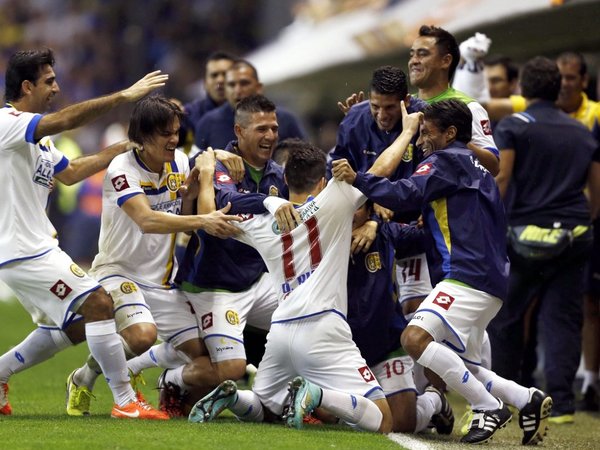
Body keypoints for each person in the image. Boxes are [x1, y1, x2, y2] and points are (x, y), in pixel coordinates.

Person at [333, 99, 553, 445]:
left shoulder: (446, 160)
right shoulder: (472, 165)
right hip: (488, 278)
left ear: (450, 133)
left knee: (414, 339)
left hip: (467, 276)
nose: (421, 140)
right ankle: (527, 399)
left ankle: (488, 406)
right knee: (464, 365)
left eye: (426, 132)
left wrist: (358, 178)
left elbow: (404, 193)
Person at [0, 48, 170, 419]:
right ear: (26, 86)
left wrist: (121, 148)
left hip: (35, 248)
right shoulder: (6, 123)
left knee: (77, 326)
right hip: (24, 250)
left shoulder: (38, 140)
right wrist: (123, 97)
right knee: (99, 304)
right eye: (49, 81)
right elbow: (64, 120)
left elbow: (72, 171)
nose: (57, 88)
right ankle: (125, 401)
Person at [189, 141, 399, 433]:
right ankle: (317, 395)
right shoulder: (336, 198)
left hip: (280, 333)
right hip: (323, 327)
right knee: (383, 419)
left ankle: (235, 398)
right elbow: (381, 169)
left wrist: (209, 173)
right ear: (322, 181)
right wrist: (408, 131)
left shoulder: (261, 220)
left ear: (285, 180)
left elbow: (209, 215)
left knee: (264, 407)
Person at [64, 95, 242, 416]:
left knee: (202, 356)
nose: (174, 139)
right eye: (165, 133)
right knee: (142, 335)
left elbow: (183, 209)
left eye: (175, 131)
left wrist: (206, 170)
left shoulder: (181, 162)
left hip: (161, 280)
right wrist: (204, 220)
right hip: (119, 272)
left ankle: (99, 376)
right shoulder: (122, 169)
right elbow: (147, 221)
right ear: (142, 137)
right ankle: (111, 391)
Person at [127, 95, 296, 416]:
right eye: (262, 128)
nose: (271, 135)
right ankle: (171, 379)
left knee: (308, 317)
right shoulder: (215, 166)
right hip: (215, 287)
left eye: (274, 128)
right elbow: (219, 207)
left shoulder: (278, 174)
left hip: (257, 282)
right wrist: (267, 202)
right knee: (229, 369)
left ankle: (292, 397)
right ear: (240, 131)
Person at [488, 56, 600, 425]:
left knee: (506, 321)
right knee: (563, 321)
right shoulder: (583, 132)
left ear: (524, 90)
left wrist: (492, 224)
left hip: (523, 237)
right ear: (557, 89)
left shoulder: (514, 127)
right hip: (574, 236)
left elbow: (502, 180)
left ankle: (504, 400)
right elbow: (596, 196)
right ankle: (563, 406)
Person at [345, 202, 454, 434]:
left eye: (358, 209)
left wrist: (428, 218)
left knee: (402, 425)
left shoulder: (387, 233)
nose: (351, 214)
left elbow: (427, 236)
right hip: (344, 348)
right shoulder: (325, 234)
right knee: (328, 416)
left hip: (386, 343)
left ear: (368, 211)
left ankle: (435, 399)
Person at [409, 25, 500, 175]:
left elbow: (493, 166)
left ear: (445, 61)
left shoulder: (468, 107)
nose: (413, 61)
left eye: (422, 54)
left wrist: (456, 140)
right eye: (412, 55)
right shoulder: (402, 106)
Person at [194, 59, 306, 151]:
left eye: (244, 83)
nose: (237, 90)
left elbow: (306, 160)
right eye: (231, 85)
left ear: (259, 88)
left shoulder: (286, 120)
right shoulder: (208, 123)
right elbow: (196, 165)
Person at [179, 51, 236, 144]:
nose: (220, 80)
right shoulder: (190, 113)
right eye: (214, 75)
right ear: (205, 83)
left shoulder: (249, 112)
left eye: (225, 74)